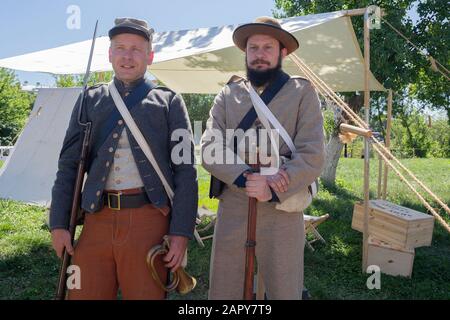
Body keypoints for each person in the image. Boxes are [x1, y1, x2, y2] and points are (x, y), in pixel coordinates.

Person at [49, 17, 198, 300]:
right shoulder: (89, 99)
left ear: (150, 56)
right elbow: (68, 165)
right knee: (82, 294)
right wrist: (58, 224)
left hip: (148, 222)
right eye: (120, 48)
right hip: (96, 221)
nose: (127, 56)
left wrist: (180, 233)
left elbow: (185, 170)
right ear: (110, 54)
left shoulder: (168, 102)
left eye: (136, 49)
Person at [201, 16, 325, 300]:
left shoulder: (302, 91)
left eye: (267, 47)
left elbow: (313, 153)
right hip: (234, 202)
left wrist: (274, 184)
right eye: (253, 47)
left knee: (283, 287)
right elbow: (209, 146)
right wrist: (245, 179)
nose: (259, 54)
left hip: (282, 204)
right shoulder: (228, 94)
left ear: (282, 52)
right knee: (226, 288)